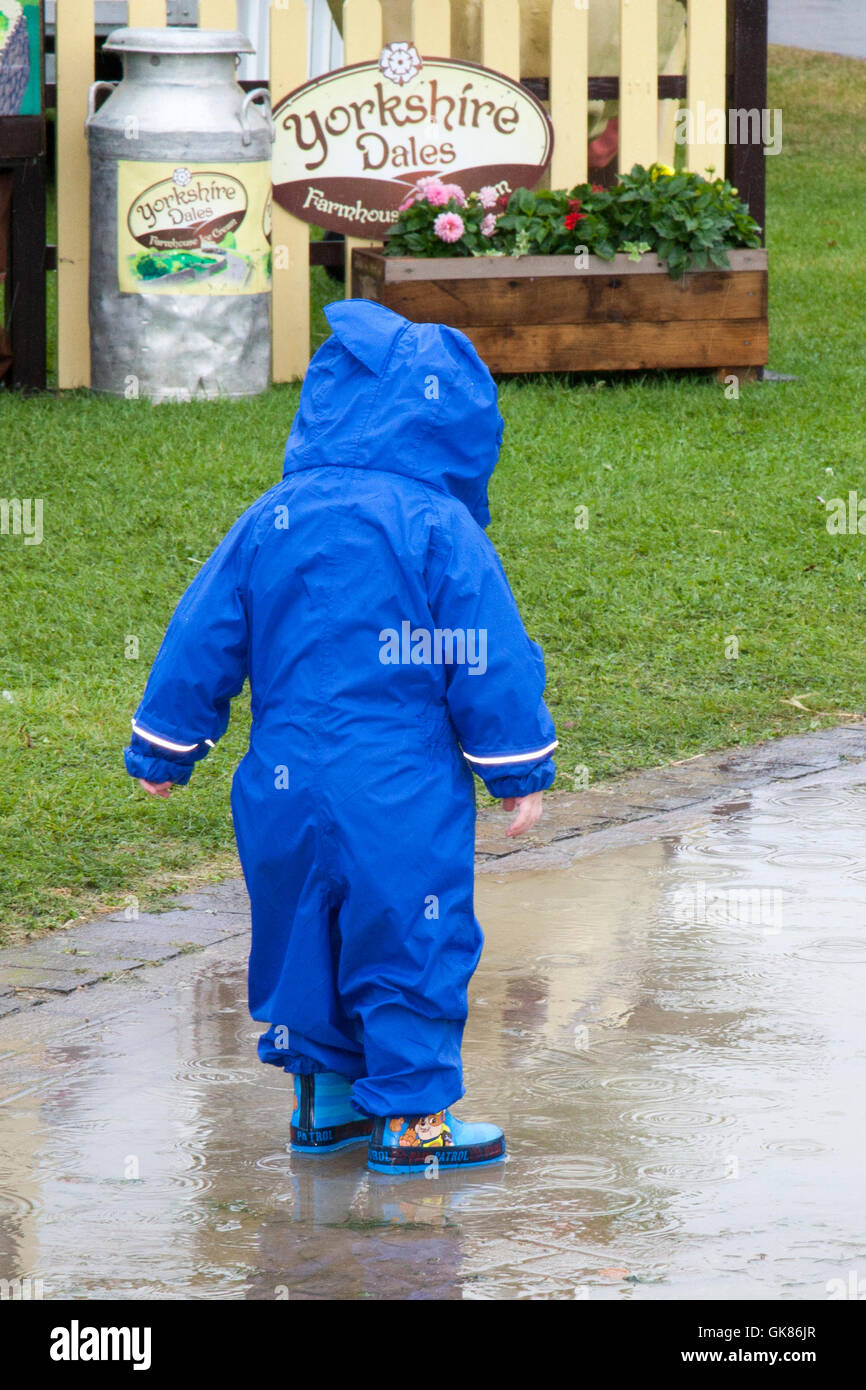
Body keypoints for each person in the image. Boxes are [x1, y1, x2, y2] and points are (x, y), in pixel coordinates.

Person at [124, 300, 557, 1175]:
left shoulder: (273, 516)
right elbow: (486, 653)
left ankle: (321, 1105)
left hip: (280, 778)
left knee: (301, 930)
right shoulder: (438, 529)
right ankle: (412, 1122)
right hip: (396, 784)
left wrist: (166, 744)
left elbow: (205, 630)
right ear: (449, 422)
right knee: (408, 931)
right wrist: (517, 768)